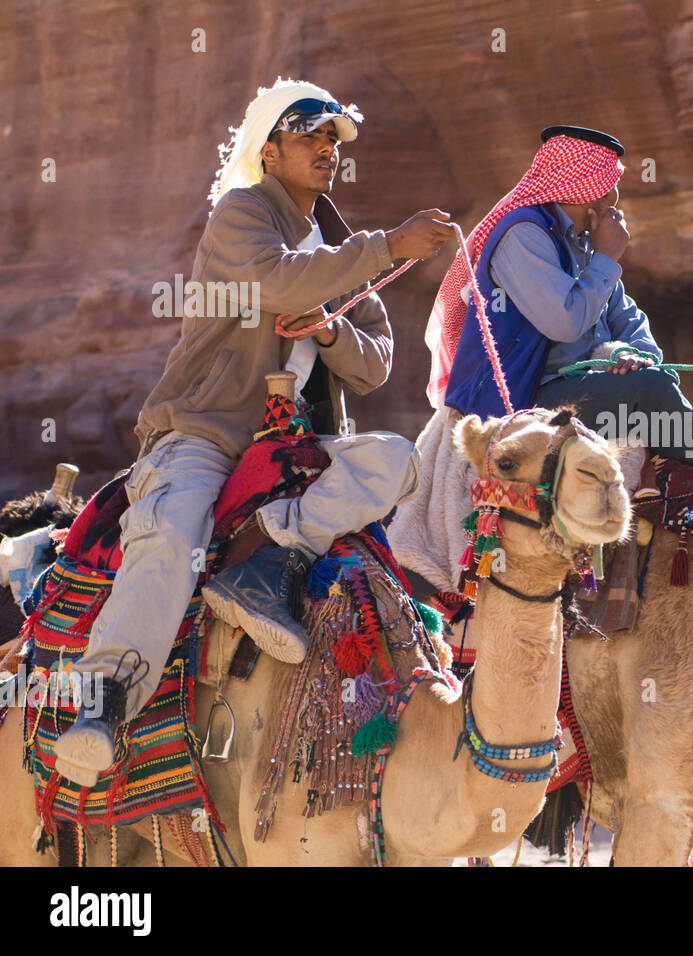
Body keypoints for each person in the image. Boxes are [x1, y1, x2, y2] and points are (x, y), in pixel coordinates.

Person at [54, 79, 456, 786]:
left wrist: (331, 328)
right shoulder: (242, 217)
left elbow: (376, 363)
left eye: (334, 138)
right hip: (207, 435)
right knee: (173, 534)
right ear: (269, 152)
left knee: (396, 461)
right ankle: (104, 702)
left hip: (293, 452)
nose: (328, 149)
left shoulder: (333, 246)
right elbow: (276, 280)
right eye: (311, 135)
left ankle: (268, 553)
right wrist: (389, 245)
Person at [428, 125, 693, 524]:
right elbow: (564, 322)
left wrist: (631, 353)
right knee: (652, 390)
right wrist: (609, 256)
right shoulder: (523, 234)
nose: (616, 201)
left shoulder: (582, 245)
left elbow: (629, 319)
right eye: (609, 187)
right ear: (582, 188)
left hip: (587, 397)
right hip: (525, 401)